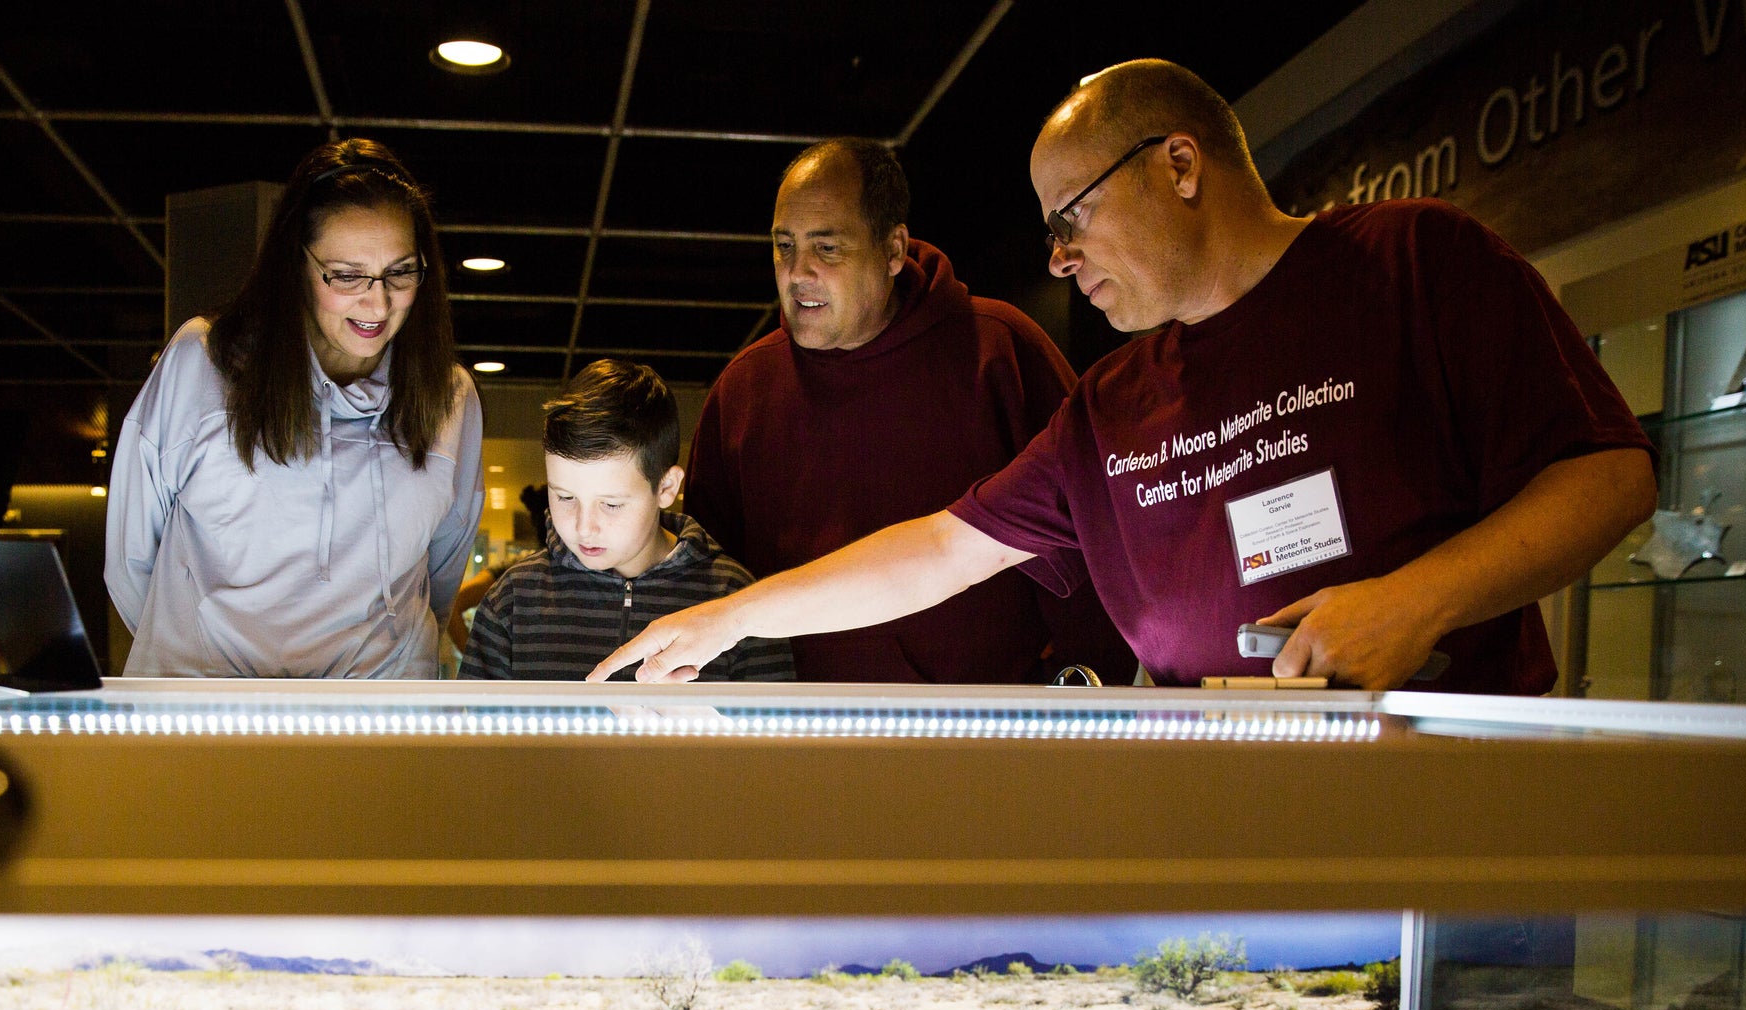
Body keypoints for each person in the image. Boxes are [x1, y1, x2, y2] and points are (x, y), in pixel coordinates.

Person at [595, 61, 1657, 694]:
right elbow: (939, 549)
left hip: (1449, 816)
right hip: (1224, 833)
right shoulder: (1114, 403)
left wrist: (1419, 601)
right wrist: (726, 618)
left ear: (1179, 166)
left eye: (1072, 218)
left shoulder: (1415, 263)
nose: (1058, 258)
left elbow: (1608, 474)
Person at [684, 137, 1133, 685]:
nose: (797, 272)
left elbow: (1092, 540)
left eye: (826, 249)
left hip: (984, 737)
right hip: (798, 740)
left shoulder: (999, 350)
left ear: (893, 249)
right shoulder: (742, 390)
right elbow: (704, 580)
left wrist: (1085, 698)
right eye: (783, 247)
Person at [105, 139, 482, 677]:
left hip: (377, 731)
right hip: (210, 722)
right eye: (347, 276)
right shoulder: (204, 364)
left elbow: (441, 576)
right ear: (295, 265)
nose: (377, 304)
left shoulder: (450, 397)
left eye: (400, 273)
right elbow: (129, 560)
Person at [460, 360, 792, 682]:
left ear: (666, 488)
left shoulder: (733, 597)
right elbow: (472, 733)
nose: (584, 527)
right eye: (564, 497)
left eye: (612, 504)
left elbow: (778, 735)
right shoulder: (514, 599)